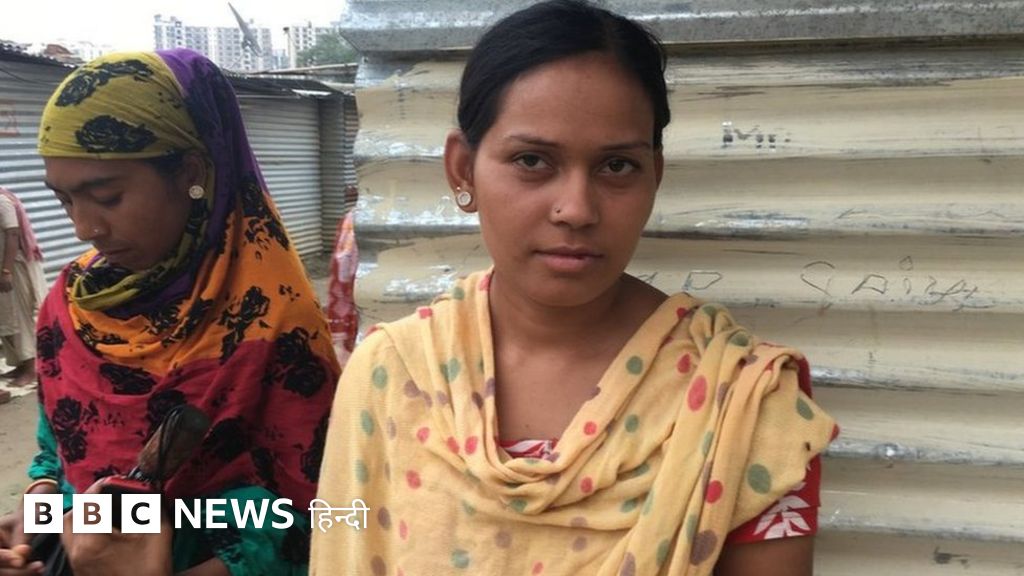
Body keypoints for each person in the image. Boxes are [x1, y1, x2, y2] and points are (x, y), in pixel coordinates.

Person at [310, 2, 839, 575]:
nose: (577, 209)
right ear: (463, 169)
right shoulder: (392, 375)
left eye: (617, 167)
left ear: (654, 175)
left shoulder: (741, 400)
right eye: (532, 160)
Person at [0, 49, 340, 576]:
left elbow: (321, 511)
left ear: (191, 172)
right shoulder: (72, 301)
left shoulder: (272, 322)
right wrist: (39, 510)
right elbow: (57, 445)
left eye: (107, 197)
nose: (84, 228)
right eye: (65, 201)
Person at [0, 186, 47, 398]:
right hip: (5, 266)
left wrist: (6, 271)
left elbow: (12, 234)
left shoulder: (2, 201)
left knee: (19, 316)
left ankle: (31, 369)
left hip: (13, 267)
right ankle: (20, 364)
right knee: (6, 318)